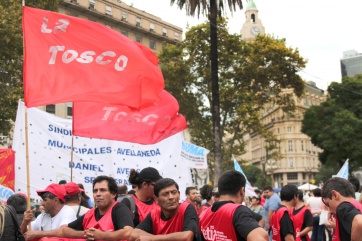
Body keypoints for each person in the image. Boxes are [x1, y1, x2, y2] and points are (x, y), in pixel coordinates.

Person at [199, 170, 268, 241]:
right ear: (242, 191)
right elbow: (262, 237)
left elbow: (259, 218)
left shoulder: (204, 214)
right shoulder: (238, 211)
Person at [61, 175, 134, 240]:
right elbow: (65, 230)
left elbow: (129, 232)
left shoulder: (119, 209)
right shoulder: (90, 213)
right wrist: (86, 234)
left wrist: (102, 235)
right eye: (95, 191)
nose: (98, 194)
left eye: (102, 190)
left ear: (113, 194)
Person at [131, 178, 200, 241]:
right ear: (156, 199)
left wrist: (152, 238)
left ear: (179, 195)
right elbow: (133, 234)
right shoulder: (154, 214)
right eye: (165, 194)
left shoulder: (187, 208)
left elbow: (187, 237)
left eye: (174, 192)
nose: (171, 197)